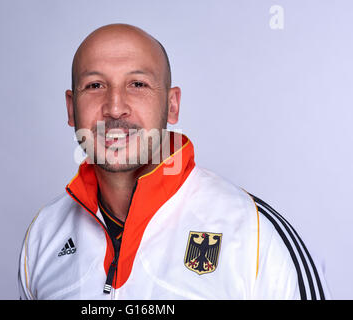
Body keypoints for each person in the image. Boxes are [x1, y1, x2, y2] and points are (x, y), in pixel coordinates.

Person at [18, 23, 330, 299]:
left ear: (172, 105)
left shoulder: (255, 232)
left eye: (137, 84)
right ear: (72, 110)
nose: (114, 108)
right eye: (95, 85)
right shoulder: (44, 234)